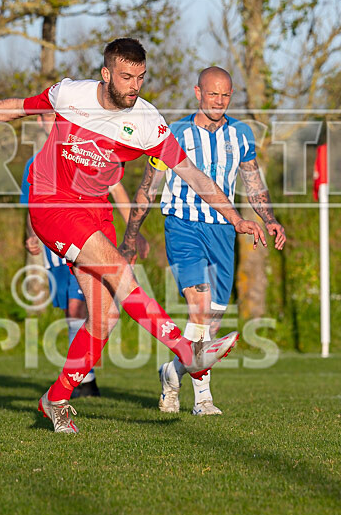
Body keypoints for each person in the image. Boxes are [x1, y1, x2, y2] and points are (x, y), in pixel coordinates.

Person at [0, 38, 267, 434]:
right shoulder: (70, 94)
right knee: (119, 273)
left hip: (95, 212)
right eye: (126, 76)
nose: (134, 85)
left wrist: (234, 218)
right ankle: (184, 348)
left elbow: (193, 174)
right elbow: (18, 108)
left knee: (106, 316)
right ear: (106, 74)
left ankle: (55, 398)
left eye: (140, 77)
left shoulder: (146, 122)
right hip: (51, 201)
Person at [119, 67, 286, 416]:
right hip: (183, 227)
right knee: (200, 307)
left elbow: (253, 183)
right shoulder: (172, 133)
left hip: (224, 231)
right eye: (213, 94)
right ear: (198, 93)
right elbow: (149, 187)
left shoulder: (241, 134)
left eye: (226, 95)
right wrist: (131, 236)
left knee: (211, 324)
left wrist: (269, 219)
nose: (219, 101)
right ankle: (204, 399)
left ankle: (172, 371)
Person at [21, 144, 150, 398]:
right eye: (47, 117)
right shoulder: (39, 161)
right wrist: (31, 234)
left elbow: (118, 191)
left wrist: (135, 234)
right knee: (72, 310)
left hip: (89, 238)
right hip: (54, 239)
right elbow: (32, 202)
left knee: (85, 307)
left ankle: (83, 380)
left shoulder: (89, 149)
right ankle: (76, 380)